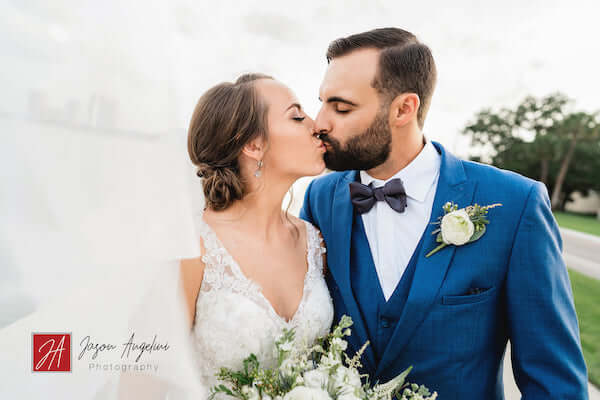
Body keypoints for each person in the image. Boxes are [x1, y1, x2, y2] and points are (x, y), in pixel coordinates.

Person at [300, 27, 589, 399]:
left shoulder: (515, 204)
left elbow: (555, 383)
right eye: (321, 102)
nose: (320, 122)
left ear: (405, 108)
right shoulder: (320, 198)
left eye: (341, 107)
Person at [180, 73, 333, 395]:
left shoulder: (315, 244)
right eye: (296, 116)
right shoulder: (191, 248)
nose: (316, 125)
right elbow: (142, 381)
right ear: (252, 145)